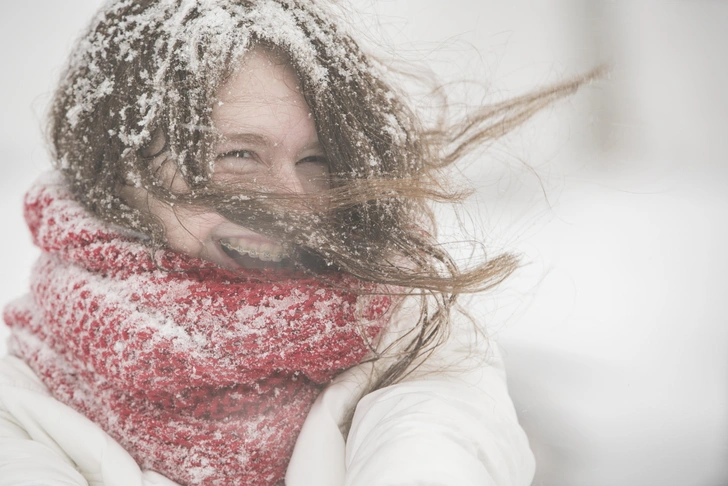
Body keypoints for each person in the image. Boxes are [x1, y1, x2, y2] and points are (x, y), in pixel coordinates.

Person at [0, 1, 595, 485]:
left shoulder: (404, 330)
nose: (294, 201)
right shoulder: (21, 392)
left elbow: (437, 442)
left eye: (316, 160)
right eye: (237, 155)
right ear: (117, 172)